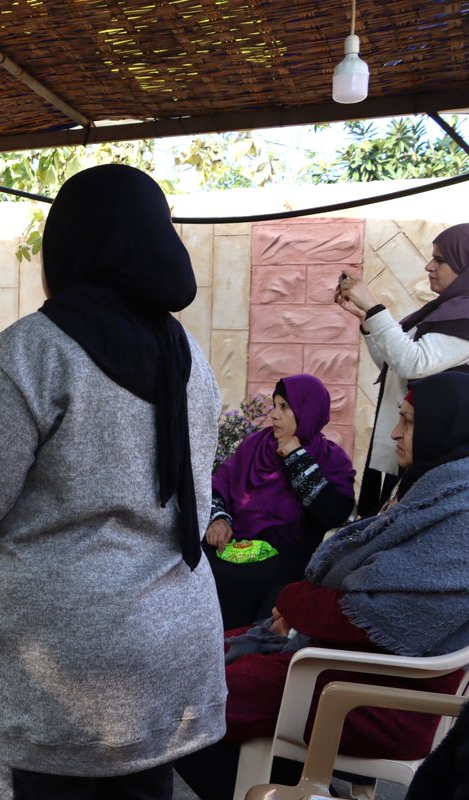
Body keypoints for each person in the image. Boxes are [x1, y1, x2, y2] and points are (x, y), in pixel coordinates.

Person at [0, 164, 226, 800]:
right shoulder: (191, 360)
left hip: (69, 673)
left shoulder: (33, 352)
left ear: (68, 246)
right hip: (171, 652)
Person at [175, 371, 469, 800]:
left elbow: (375, 607)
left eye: (406, 421)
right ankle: (292, 783)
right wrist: (223, 520)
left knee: (186, 703)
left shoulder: (455, 517)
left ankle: (279, 786)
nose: (393, 432)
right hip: (337, 658)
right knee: (197, 654)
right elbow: (219, 490)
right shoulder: (430, 493)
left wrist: (293, 603)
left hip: (375, 691)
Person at [335, 222, 469, 516]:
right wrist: (366, 320)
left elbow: (414, 363)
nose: (428, 266)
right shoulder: (442, 311)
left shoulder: (464, 317)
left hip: (433, 454)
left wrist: (372, 305)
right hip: (411, 442)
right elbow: (393, 364)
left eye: (440, 260)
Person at [206, 373, 355, 629]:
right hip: (234, 544)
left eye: (285, 407)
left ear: (308, 411)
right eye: (275, 405)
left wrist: (296, 458)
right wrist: (219, 518)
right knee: (195, 565)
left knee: (251, 583)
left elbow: (332, 514)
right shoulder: (255, 445)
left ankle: (239, 652)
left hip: (287, 554)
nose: (274, 414)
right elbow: (217, 487)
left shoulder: (331, 459)